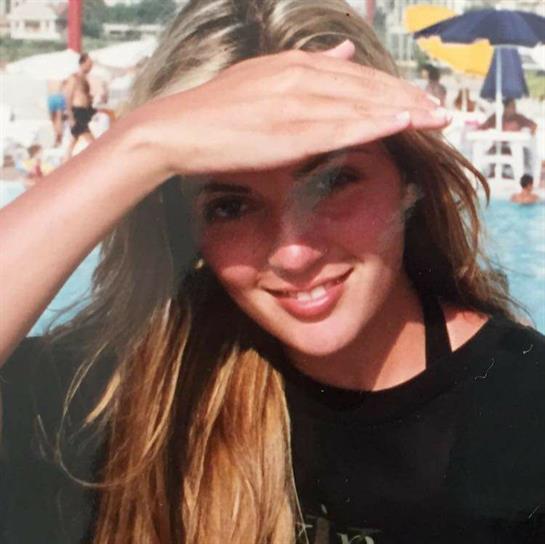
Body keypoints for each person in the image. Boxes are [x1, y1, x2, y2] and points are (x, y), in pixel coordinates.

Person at [0, 1, 544, 543]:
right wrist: (141, 143)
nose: (293, 253)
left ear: (409, 181)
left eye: (333, 181)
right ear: (186, 230)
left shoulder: (525, 406)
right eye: (231, 206)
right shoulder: (118, 401)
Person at [64, 52, 97, 160]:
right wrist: (70, 116)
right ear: (82, 63)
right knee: (90, 140)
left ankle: (66, 160)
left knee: (74, 139)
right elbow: (68, 96)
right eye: (89, 64)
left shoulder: (85, 79)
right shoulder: (74, 78)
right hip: (77, 111)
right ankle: (97, 157)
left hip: (84, 111)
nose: (91, 67)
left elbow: (84, 94)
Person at [46, 80, 67, 147]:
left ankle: (58, 139)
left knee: (57, 120)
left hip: (55, 97)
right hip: (53, 97)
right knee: (55, 120)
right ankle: (58, 139)